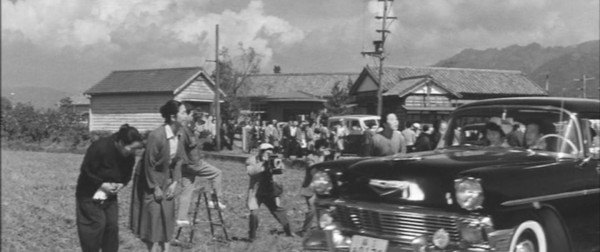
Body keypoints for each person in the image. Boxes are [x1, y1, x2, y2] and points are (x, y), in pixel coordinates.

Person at [76, 124, 143, 252]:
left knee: (112, 226)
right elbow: (86, 171)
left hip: (109, 195)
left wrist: (121, 184)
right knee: (96, 225)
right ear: (121, 143)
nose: (133, 153)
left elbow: (127, 174)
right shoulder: (100, 147)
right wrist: (102, 184)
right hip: (88, 193)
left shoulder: (129, 155)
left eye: (135, 150)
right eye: (131, 149)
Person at [130, 100, 185, 252]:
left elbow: (179, 160)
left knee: (167, 215)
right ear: (173, 117)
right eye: (184, 112)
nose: (187, 116)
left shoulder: (179, 134)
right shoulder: (157, 135)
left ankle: (166, 249)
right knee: (152, 219)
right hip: (149, 180)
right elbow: (149, 164)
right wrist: (155, 187)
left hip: (167, 178)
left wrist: (175, 183)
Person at [175, 106, 226, 227]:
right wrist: (203, 139)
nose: (201, 125)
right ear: (192, 117)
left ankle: (181, 218)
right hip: (194, 163)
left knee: (186, 191)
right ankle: (215, 200)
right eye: (200, 122)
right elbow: (190, 146)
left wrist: (200, 137)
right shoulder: (186, 130)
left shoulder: (188, 130)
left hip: (185, 165)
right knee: (217, 173)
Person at [246, 143, 294, 241]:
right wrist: (264, 164)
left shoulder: (274, 158)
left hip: (270, 190)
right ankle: (252, 236)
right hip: (256, 191)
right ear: (261, 151)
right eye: (266, 151)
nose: (269, 153)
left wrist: (276, 164)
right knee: (253, 213)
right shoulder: (251, 160)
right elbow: (250, 172)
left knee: (278, 211)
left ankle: (288, 231)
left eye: (270, 151)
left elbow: (281, 170)